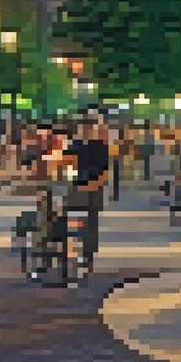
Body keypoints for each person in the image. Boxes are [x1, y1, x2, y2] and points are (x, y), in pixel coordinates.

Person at [64, 115, 110, 277]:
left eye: (90, 127)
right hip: (77, 187)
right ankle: (74, 252)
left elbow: (104, 172)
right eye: (84, 127)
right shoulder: (74, 145)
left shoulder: (100, 147)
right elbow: (67, 165)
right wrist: (72, 181)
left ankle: (87, 256)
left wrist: (92, 186)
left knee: (90, 223)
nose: (87, 130)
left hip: (93, 190)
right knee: (75, 221)